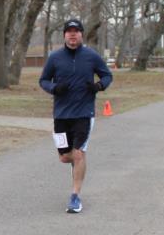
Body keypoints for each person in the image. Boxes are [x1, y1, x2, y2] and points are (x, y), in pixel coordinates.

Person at [38, 19, 113, 214]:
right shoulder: (55, 57)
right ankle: (76, 162)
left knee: (79, 153)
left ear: (81, 34)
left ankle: (75, 197)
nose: (73, 34)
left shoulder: (91, 56)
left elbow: (107, 75)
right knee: (65, 157)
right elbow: (43, 80)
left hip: (84, 113)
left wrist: (99, 86)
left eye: (76, 31)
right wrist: (54, 88)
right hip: (61, 114)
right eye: (69, 31)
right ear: (64, 35)